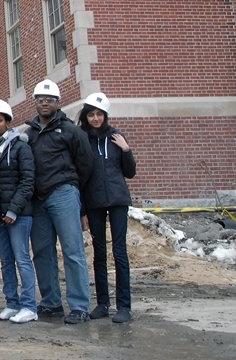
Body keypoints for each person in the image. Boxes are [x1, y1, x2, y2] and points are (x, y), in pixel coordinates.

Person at [25, 79, 95, 325]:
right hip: (37, 200)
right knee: (42, 252)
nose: (45, 103)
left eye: (49, 100)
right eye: (41, 100)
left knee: (72, 251)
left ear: (57, 103)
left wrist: (75, 192)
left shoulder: (70, 131)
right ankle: (51, 302)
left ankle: (79, 306)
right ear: (35, 103)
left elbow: (86, 165)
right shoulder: (29, 134)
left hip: (63, 193)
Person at [77, 92, 136, 324]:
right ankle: (102, 303)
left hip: (118, 200)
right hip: (94, 201)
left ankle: (124, 306)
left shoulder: (116, 137)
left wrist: (126, 149)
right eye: (91, 114)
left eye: (99, 114)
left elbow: (130, 172)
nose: (95, 118)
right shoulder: (83, 140)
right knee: (99, 253)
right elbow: (81, 175)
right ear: (86, 116)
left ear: (105, 116)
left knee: (119, 252)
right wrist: (82, 209)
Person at [0, 99, 38, 324]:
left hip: (19, 215)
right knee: (5, 260)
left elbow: (27, 181)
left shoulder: (20, 147)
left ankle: (29, 306)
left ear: (7, 122)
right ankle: (11, 302)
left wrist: (14, 210)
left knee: (22, 259)